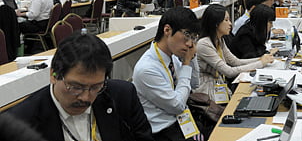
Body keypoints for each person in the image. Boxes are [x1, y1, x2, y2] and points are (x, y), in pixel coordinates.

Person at [9, 33, 154, 141]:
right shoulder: (21, 122)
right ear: (53, 75)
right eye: (75, 87)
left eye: (96, 87)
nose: (85, 98)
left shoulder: (123, 96)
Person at [132, 7, 200, 141]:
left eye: (193, 37)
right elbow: (177, 106)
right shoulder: (147, 68)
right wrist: (186, 63)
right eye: (187, 35)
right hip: (163, 132)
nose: (189, 43)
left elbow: (194, 84)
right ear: (167, 30)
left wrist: (192, 57)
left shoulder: (173, 56)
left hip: (181, 123)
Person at [194, 4, 274, 102]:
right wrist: (261, 63)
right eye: (226, 20)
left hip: (217, 86)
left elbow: (235, 61)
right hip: (206, 93)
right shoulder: (204, 44)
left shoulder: (219, 40)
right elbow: (229, 71)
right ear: (216, 23)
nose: (230, 24)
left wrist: (261, 59)